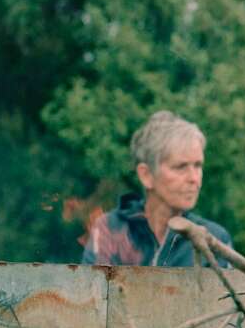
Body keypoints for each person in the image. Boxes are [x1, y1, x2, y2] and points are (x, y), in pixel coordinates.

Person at [82, 110, 232, 266]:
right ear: (146, 175)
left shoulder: (213, 239)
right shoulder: (111, 228)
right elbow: (92, 289)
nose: (194, 179)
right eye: (181, 167)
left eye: (198, 165)